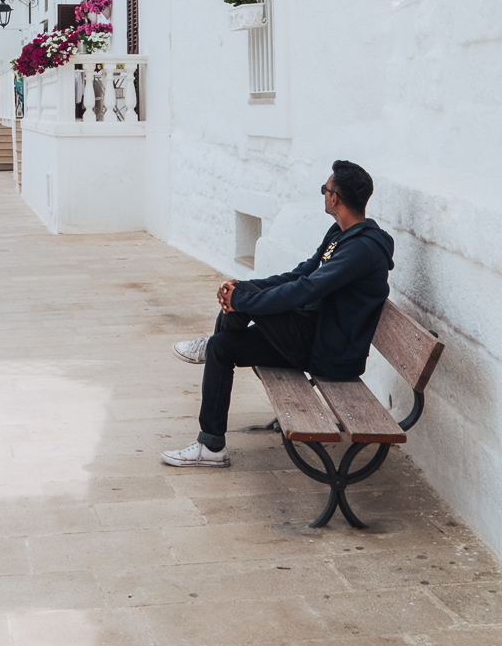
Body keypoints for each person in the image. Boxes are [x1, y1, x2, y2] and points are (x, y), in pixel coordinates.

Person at [162, 160, 394, 469]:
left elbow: (307, 289)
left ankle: (214, 336)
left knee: (243, 299)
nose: (324, 195)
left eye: (324, 190)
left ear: (335, 198)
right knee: (222, 347)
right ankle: (211, 446)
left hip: (329, 352)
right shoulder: (339, 234)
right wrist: (242, 289)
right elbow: (301, 274)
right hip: (311, 335)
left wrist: (241, 298)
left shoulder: (362, 250)